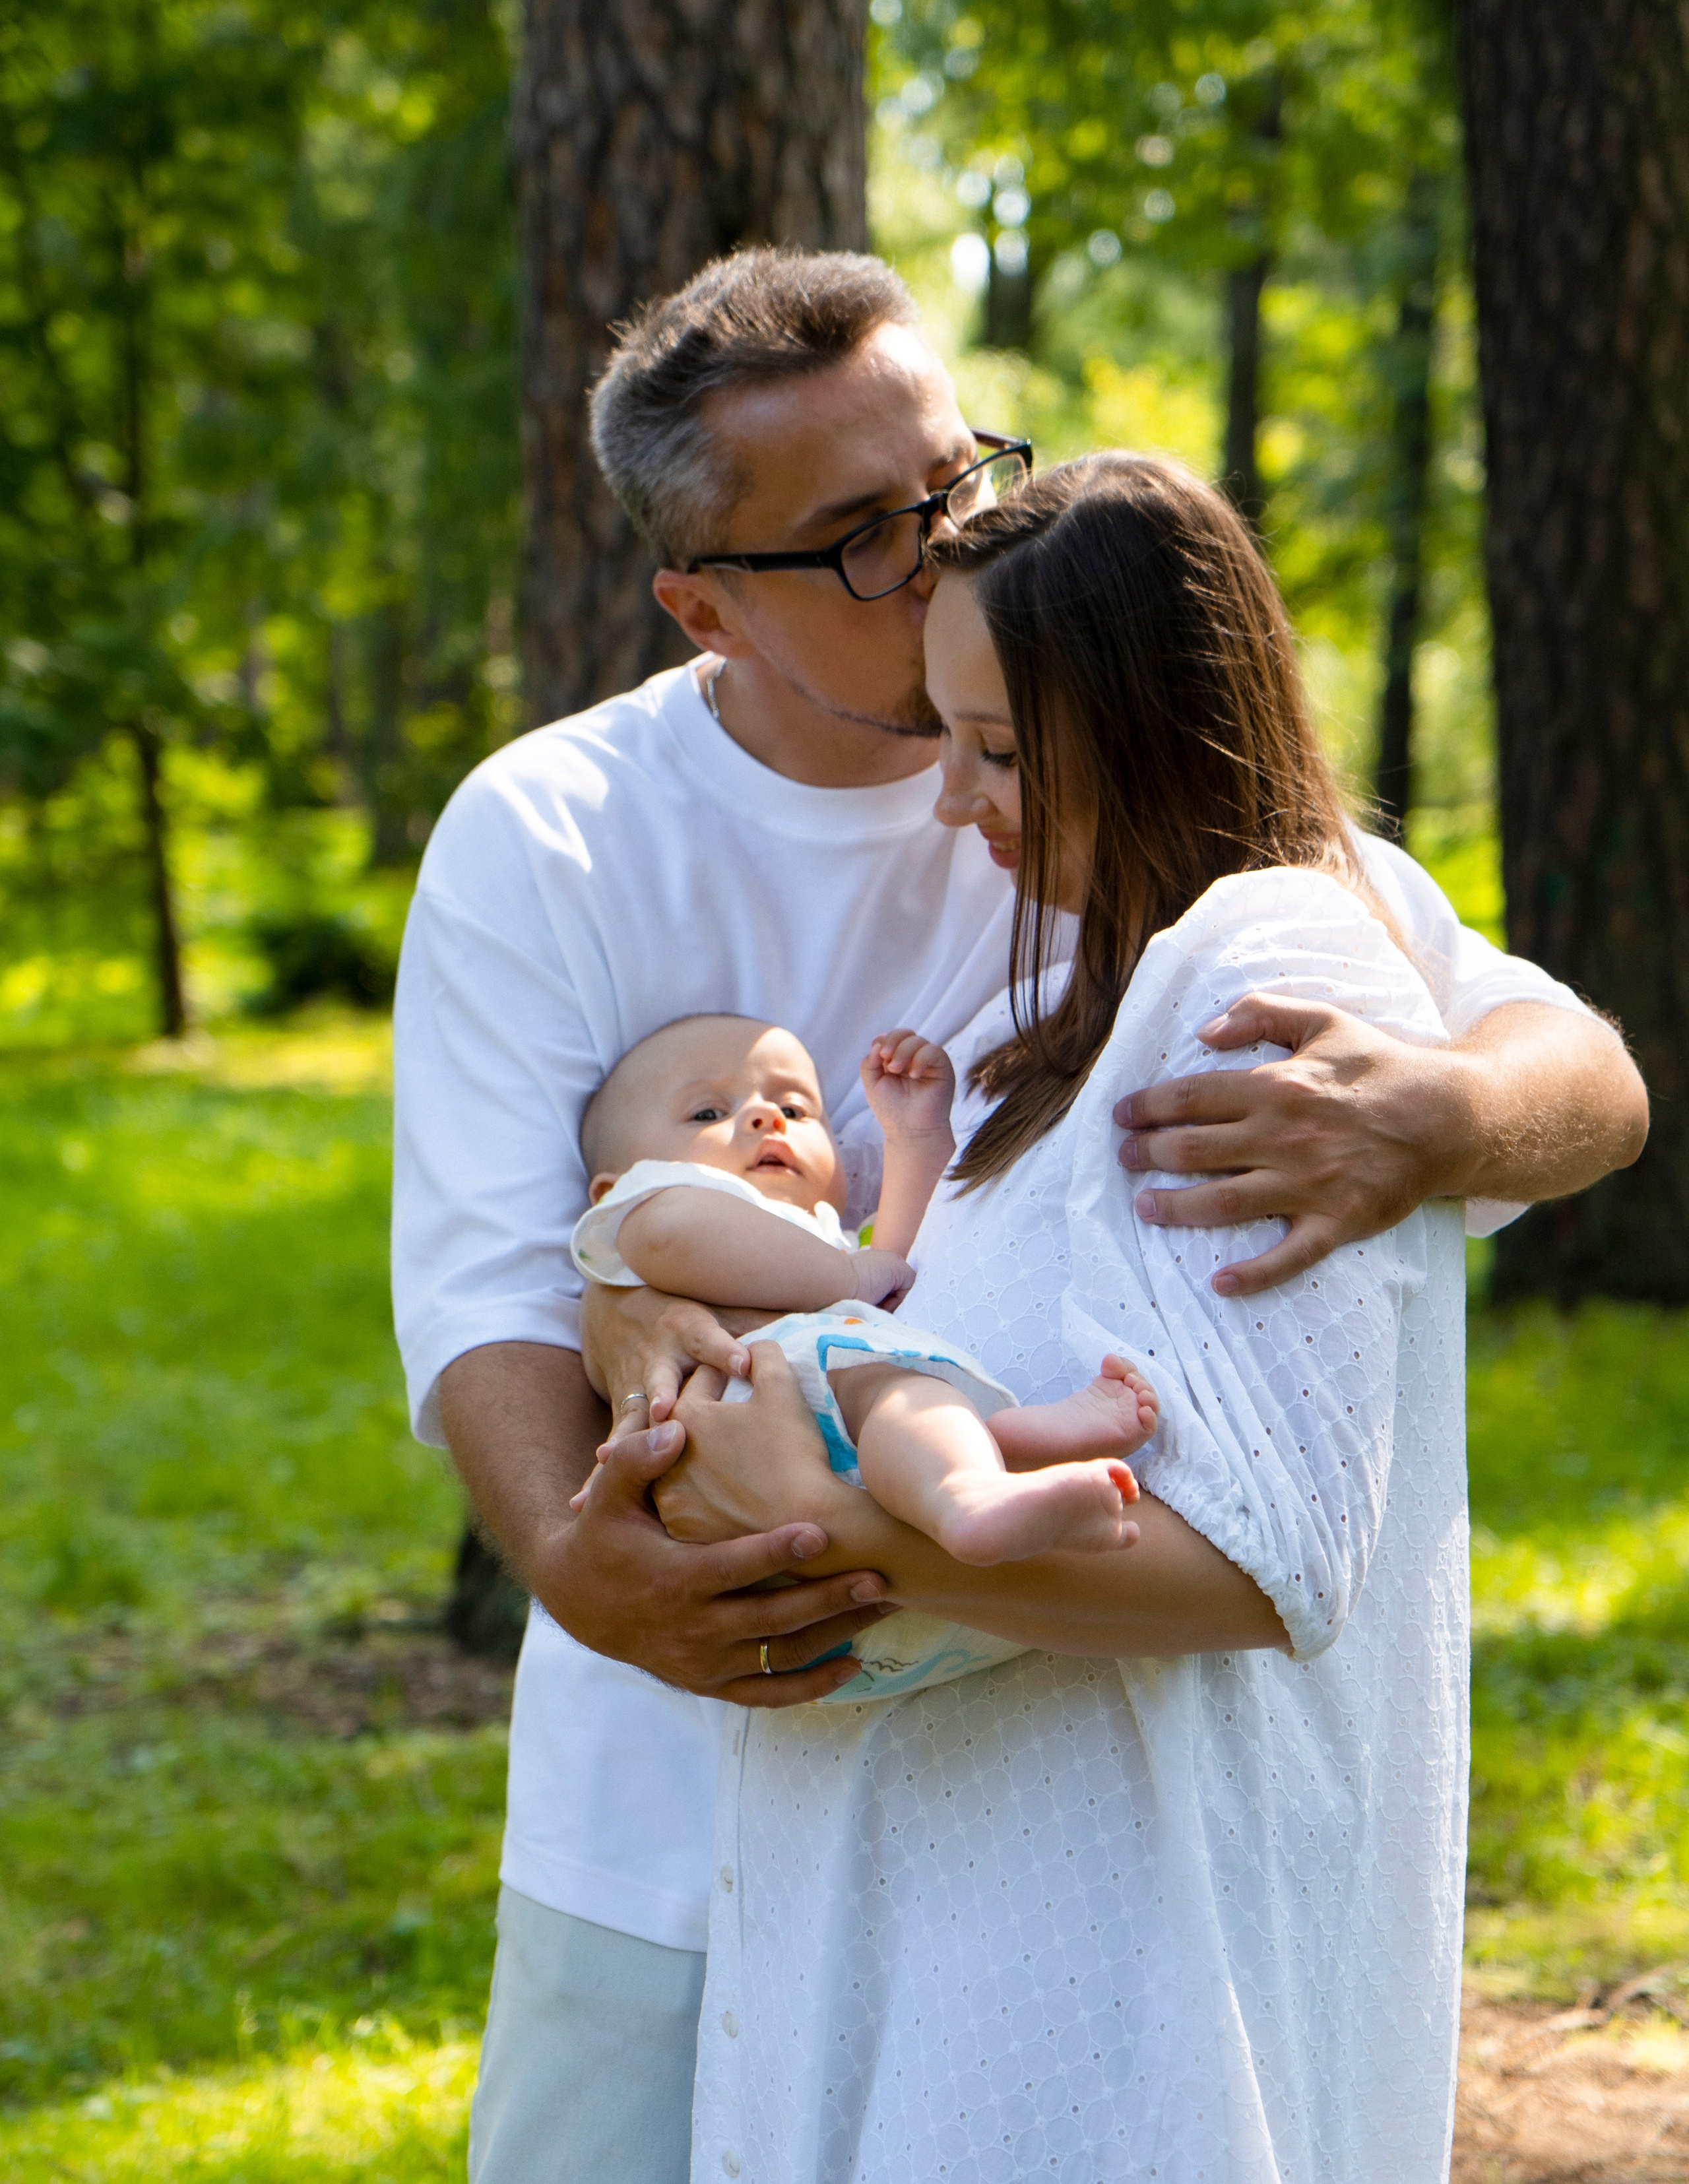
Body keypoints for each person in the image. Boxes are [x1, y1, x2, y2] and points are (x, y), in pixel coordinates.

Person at [388, 247, 1645, 2184]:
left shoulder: (1109, 774)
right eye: (863, 535)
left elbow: (1578, 1072)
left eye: (952, 480)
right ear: (700, 597)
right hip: (665, 1764)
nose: (945, 544)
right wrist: (584, 1560)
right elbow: (484, 1282)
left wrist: (1441, 1113)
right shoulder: (551, 830)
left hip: (1036, 1773)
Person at [644, 453, 1537, 2181]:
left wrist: (842, 1532)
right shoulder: (1056, 1007)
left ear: (1149, 722)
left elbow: (1273, 1555)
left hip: (1100, 1994)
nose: (953, 803)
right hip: (942, 1935)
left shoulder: (1272, 968)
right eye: (946, 736)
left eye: (997, 747)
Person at [569, 1011, 1154, 1568]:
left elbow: (897, 1266)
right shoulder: (639, 1214)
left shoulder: (833, 1244)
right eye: (706, 1114)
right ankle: (987, 1468)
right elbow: (675, 1236)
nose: (766, 1116)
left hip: (839, 1478)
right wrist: (849, 1278)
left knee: (908, 1391)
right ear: (611, 1188)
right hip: (731, 1453)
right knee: (890, 1387)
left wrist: (913, 1137)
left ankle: (981, 1485)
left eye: (796, 1109)